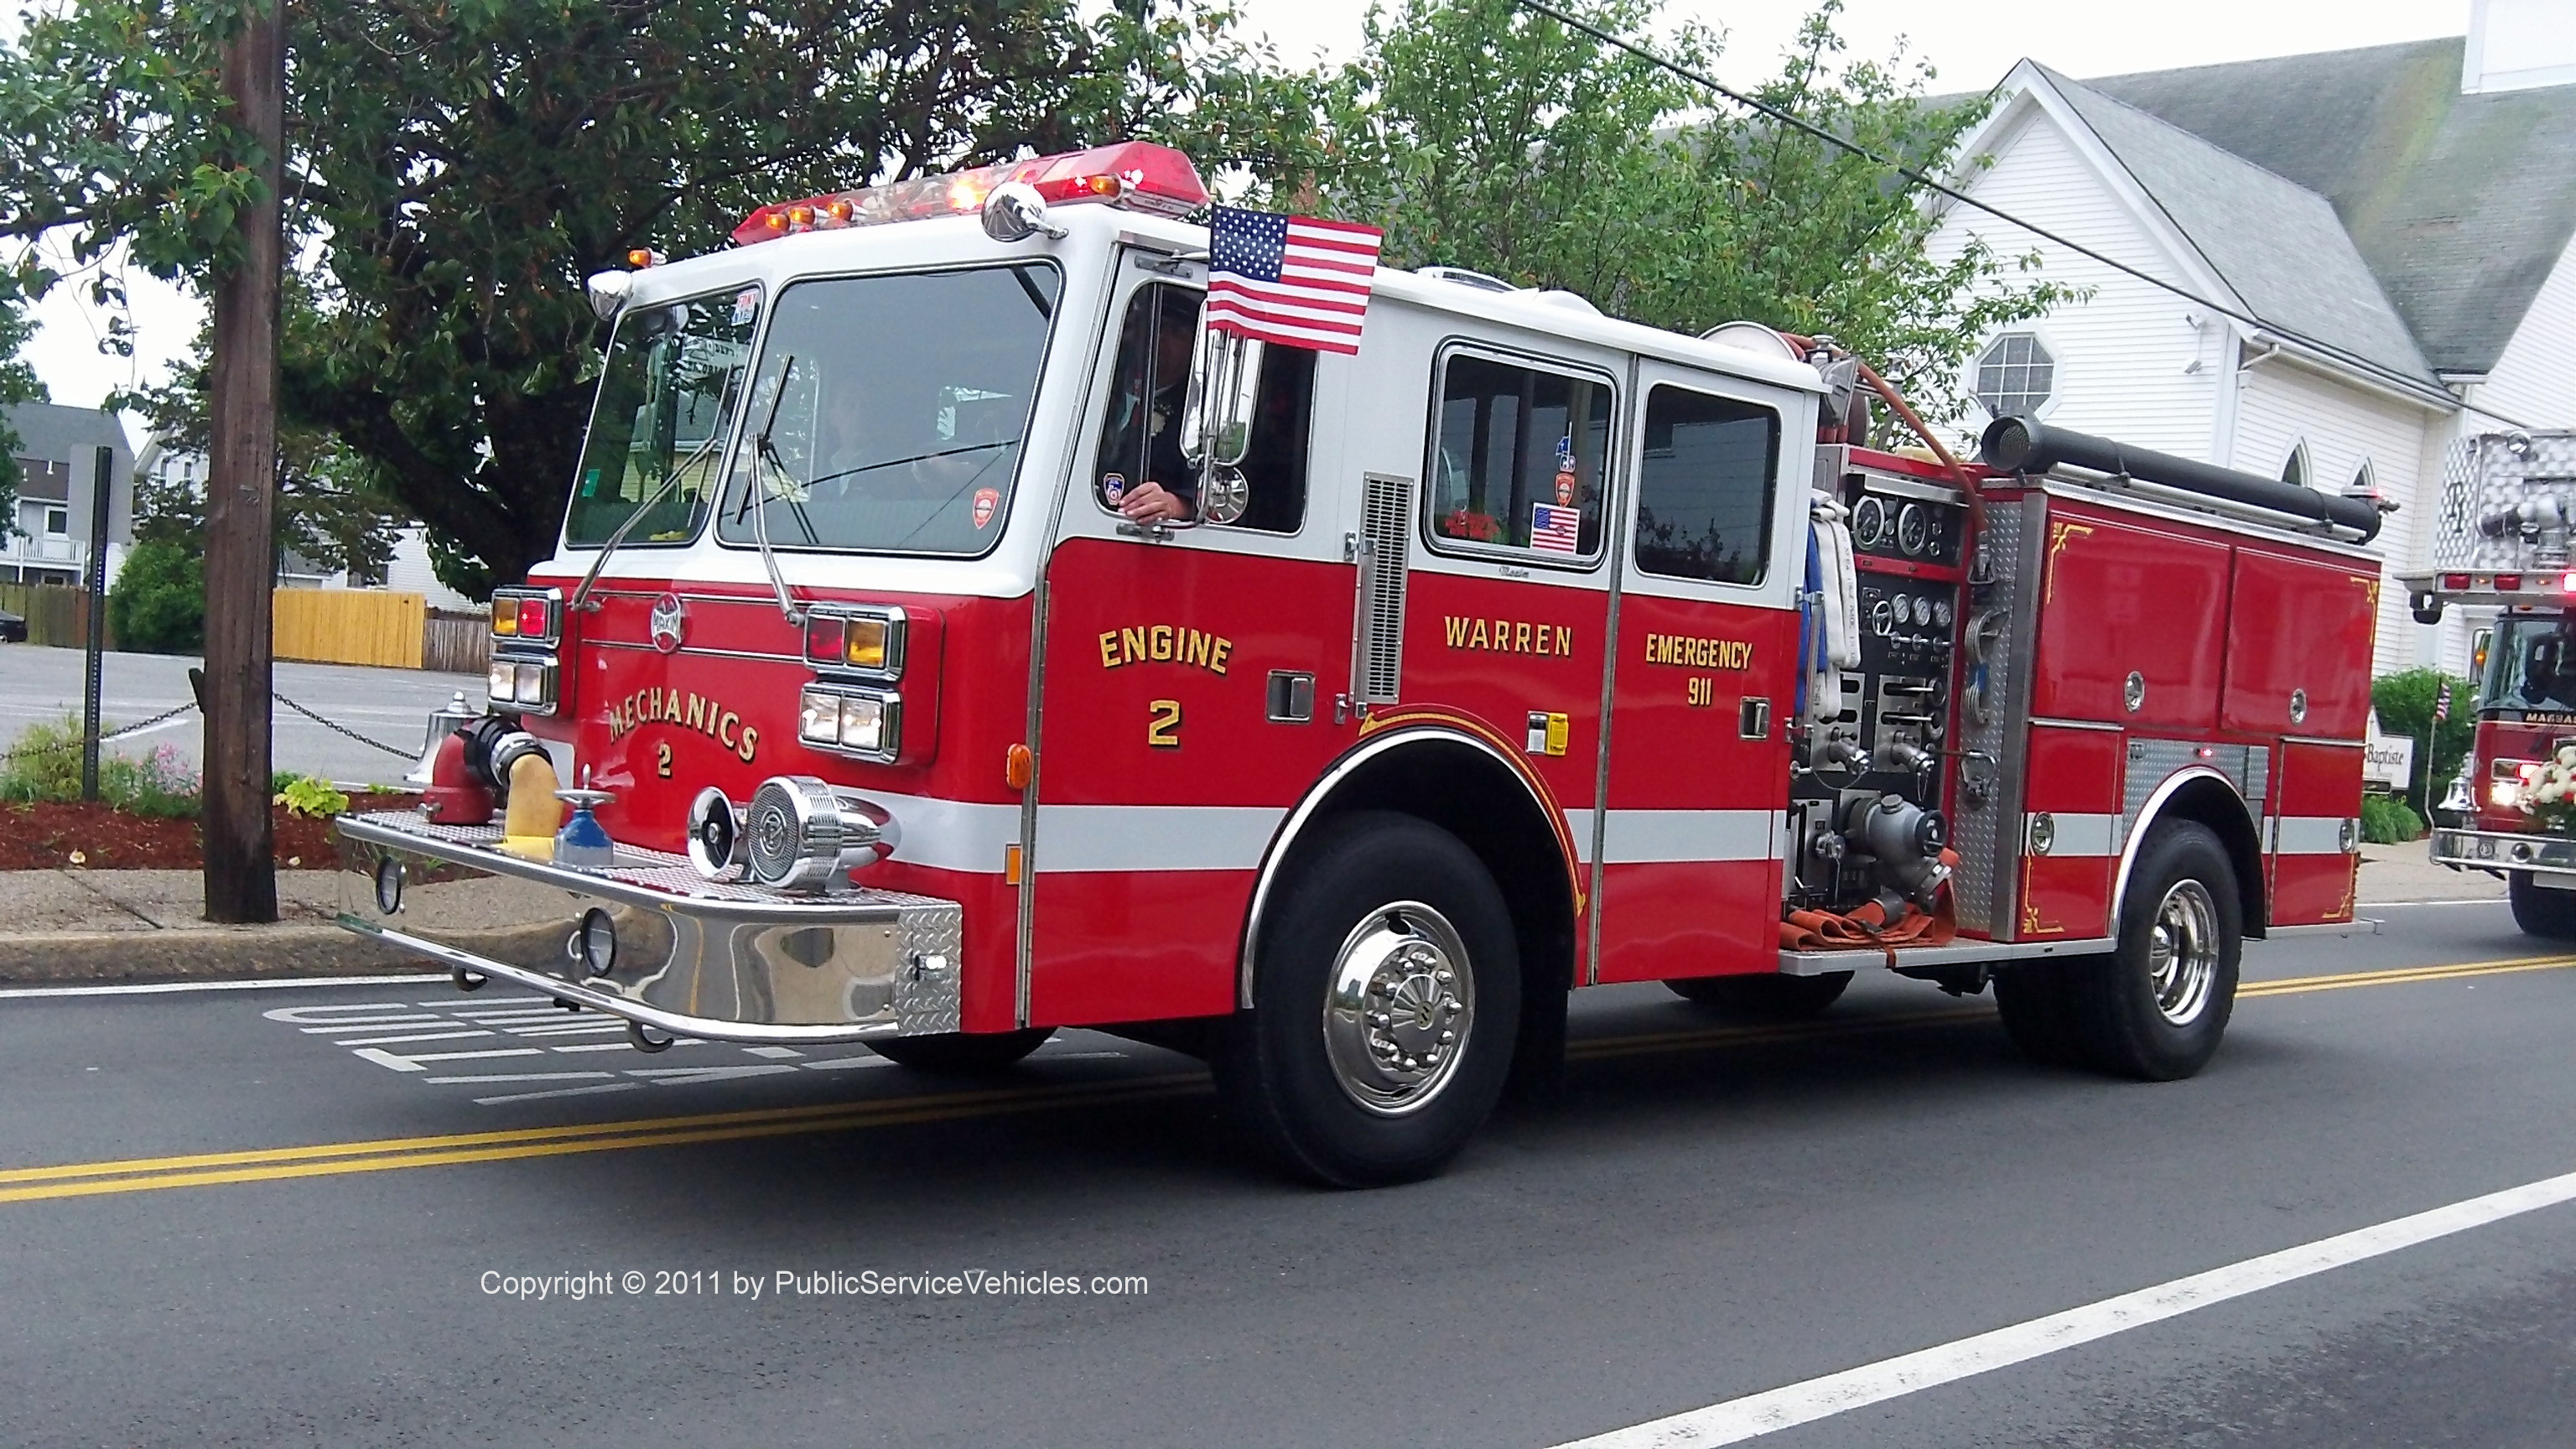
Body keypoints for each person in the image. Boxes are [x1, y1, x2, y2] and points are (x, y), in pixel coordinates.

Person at [1099, 290, 1202, 523]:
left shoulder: (1199, 412)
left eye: (1176, 332)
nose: (1161, 338)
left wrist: (1171, 504)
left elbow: (1208, 497)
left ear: (1193, 348)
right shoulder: (1098, 383)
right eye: (1157, 327)